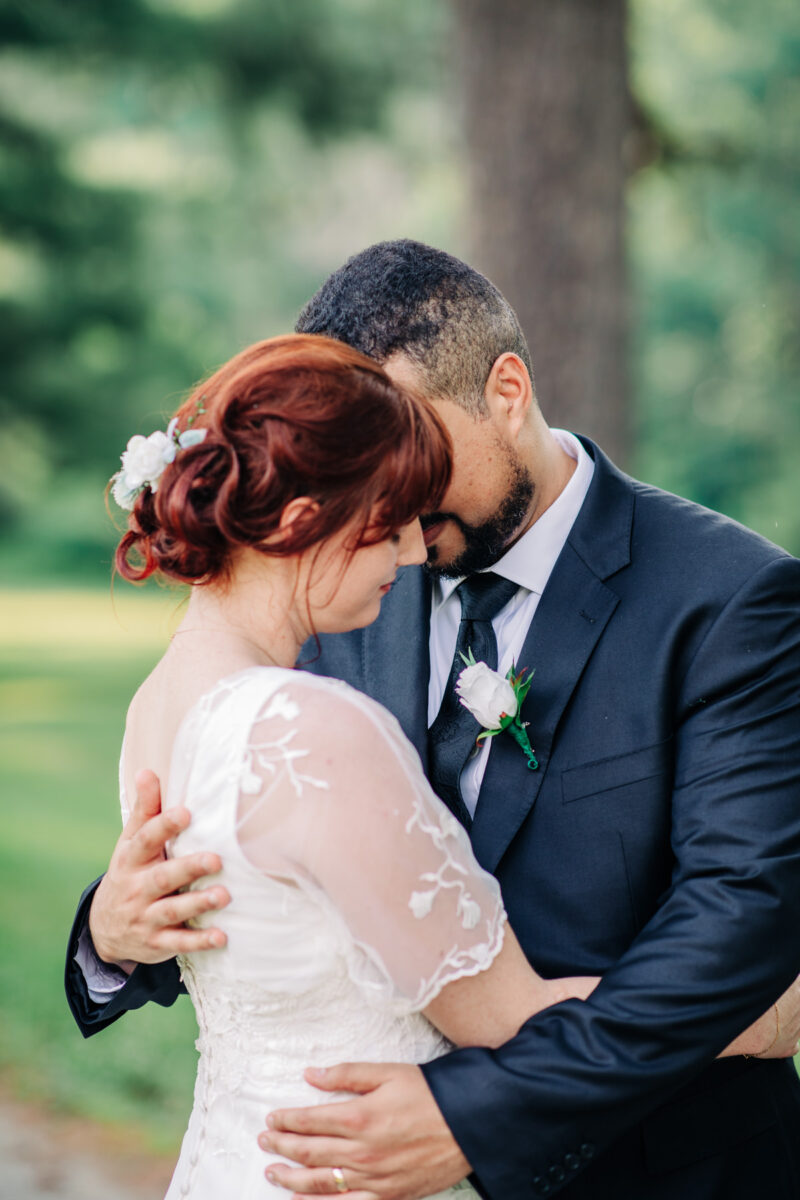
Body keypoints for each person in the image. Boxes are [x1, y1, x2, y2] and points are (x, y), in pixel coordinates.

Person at [65, 243, 800, 1200]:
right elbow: (270, 855)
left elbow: (739, 919)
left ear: (506, 392)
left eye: (414, 443)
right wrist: (110, 935)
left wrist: (478, 1115)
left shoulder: (732, 601)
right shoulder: (340, 582)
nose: (402, 505)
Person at [87, 331, 614, 1200]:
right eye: (391, 523)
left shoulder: (158, 704)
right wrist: (743, 1010)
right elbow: (507, 1018)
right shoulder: (311, 728)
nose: (412, 553)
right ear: (303, 523)